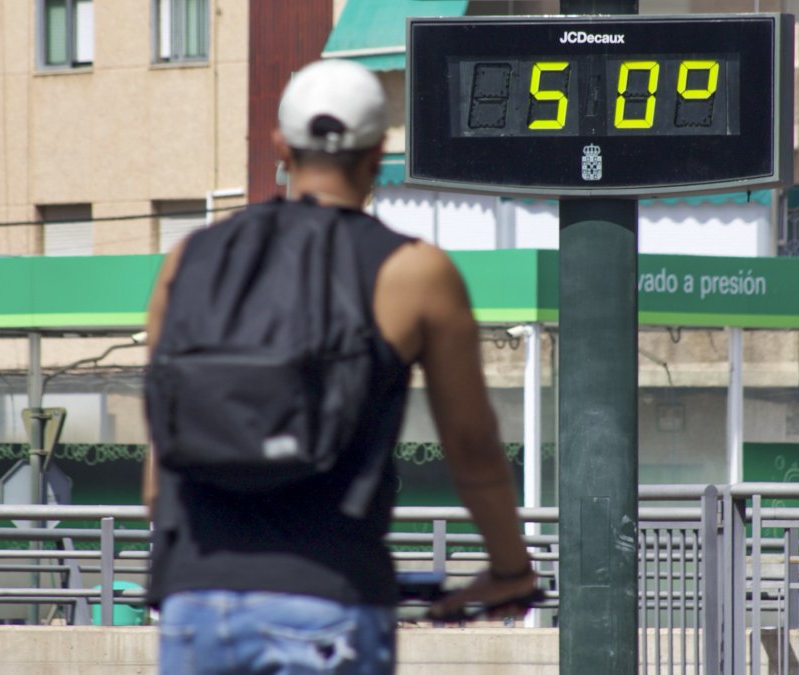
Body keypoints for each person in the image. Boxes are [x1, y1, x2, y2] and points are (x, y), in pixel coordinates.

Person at [142, 59, 539, 674]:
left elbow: (156, 471)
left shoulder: (189, 261)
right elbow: (472, 444)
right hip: (330, 596)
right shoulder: (414, 272)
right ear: (380, 149)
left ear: (280, 144)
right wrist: (510, 571)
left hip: (195, 599)